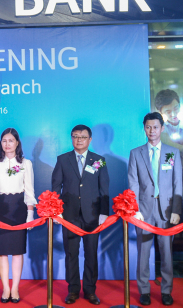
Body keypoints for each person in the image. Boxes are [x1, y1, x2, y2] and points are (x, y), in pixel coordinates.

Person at [128, 112, 182, 306]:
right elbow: (133, 183)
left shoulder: (171, 152)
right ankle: (144, 290)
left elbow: (178, 183)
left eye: (156, 127)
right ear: (144, 128)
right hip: (143, 210)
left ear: (162, 128)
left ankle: (166, 290)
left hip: (167, 211)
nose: (152, 131)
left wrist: (176, 210)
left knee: (167, 253)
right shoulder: (136, 153)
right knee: (143, 253)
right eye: (148, 127)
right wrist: (135, 209)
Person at [52, 125, 109, 305]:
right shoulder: (62, 160)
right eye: (75, 136)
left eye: (83, 137)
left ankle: (90, 290)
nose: (79, 140)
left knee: (91, 253)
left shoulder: (99, 160)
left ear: (90, 139)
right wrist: (56, 211)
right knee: (71, 253)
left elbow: (104, 189)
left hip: (92, 215)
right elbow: (55, 188)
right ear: (71, 138)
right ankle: (73, 289)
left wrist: (104, 213)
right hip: (69, 215)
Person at [0, 128, 35, 303]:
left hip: (19, 208)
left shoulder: (26, 163)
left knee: (17, 251)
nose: (7, 144)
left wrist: (30, 214)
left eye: (11, 140)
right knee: (2, 252)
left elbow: (29, 191)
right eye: (4, 141)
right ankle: (5, 288)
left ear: (17, 143)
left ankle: (15, 288)